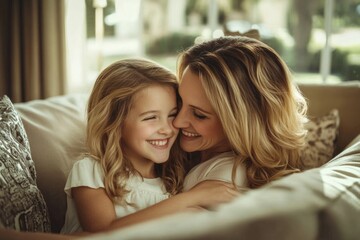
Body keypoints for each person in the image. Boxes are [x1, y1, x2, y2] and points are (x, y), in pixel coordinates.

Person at [177, 36, 308, 191]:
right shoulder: (197, 152)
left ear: (244, 122)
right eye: (178, 101)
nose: (177, 122)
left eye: (199, 114)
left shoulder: (225, 178)